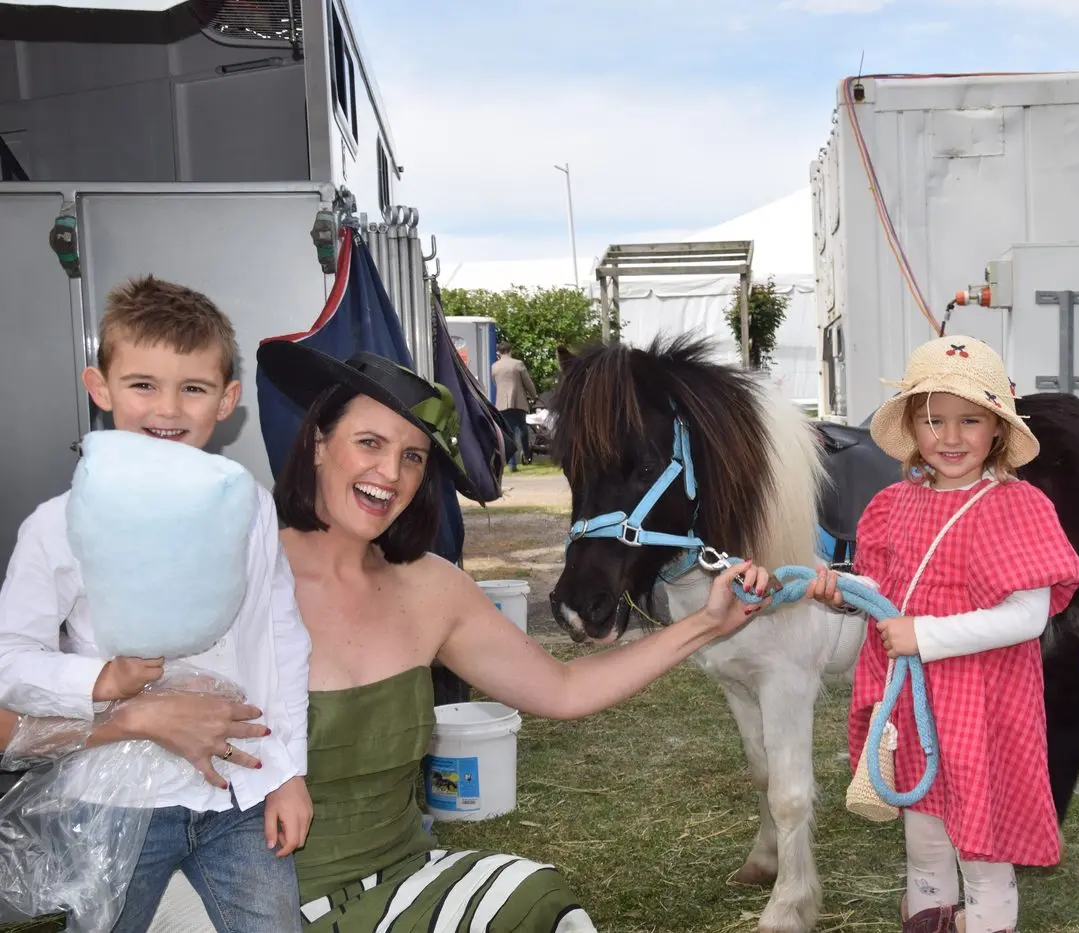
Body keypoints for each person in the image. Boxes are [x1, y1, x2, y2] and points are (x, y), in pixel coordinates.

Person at [241, 341, 774, 932]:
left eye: (413, 456)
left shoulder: (430, 588)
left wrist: (707, 624)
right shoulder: (239, 577)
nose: (390, 474)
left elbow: (563, 689)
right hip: (252, 893)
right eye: (370, 443)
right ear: (319, 442)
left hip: (400, 876)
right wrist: (162, 717)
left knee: (539, 899)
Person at [0, 276, 312, 932]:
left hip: (239, 788)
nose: (167, 408)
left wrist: (288, 771)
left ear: (227, 400)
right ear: (100, 387)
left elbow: (278, 637)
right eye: (142, 384)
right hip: (116, 800)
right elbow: (9, 658)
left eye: (193, 387)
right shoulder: (57, 525)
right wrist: (99, 678)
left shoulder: (250, 508)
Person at [805, 335, 1079, 933]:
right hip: (912, 698)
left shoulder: (1019, 507)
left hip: (985, 700)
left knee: (982, 845)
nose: (951, 437)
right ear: (912, 426)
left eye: (971, 420)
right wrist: (841, 589)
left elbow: (1027, 617)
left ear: (998, 430)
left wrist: (925, 635)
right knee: (924, 826)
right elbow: (884, 592)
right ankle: (930, 918)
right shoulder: (892, 504)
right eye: (934, 420)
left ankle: (986, 920)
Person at [490, 341, 536, 470]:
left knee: (508, 432)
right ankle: (526, 455)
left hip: (502, 404)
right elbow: (527, 382)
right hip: (518, 401)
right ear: (510, 350)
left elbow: (495, 382)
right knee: (522, 429)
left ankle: (511, 463)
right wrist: (534, 395)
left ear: (499, 352)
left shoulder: (495, 367)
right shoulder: (518, 364)